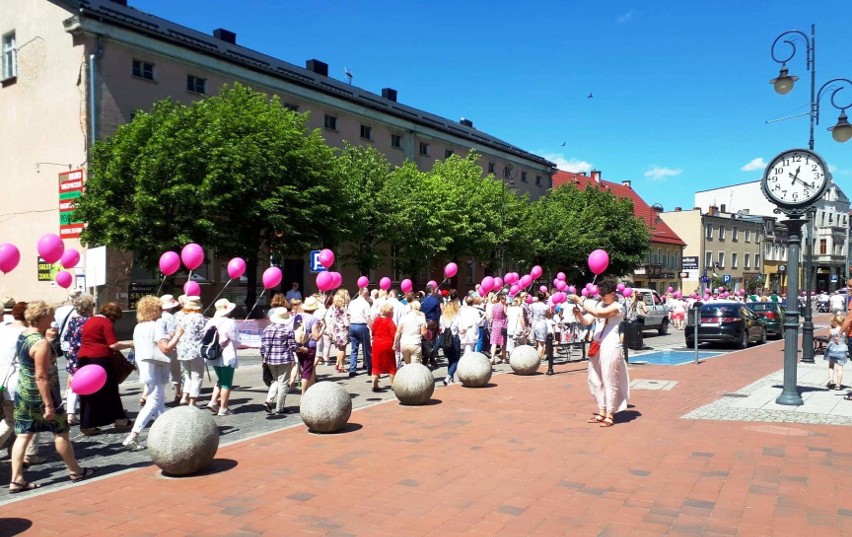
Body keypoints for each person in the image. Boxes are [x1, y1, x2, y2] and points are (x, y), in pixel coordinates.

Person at [8, 301, 96, 492]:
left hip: (23, 391)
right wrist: (49, 404)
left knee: (22, 435)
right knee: (61, 432)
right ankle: (76, 470)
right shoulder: (40, 343)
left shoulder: (23, 335)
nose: (53, 319)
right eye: (50, 316)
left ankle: (16, 479)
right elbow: (41, 376)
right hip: (41, 395)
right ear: (42, 317)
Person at [122, 296, 182, 451]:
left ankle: (165, 433)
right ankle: (133, 435)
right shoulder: (157, 325)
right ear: (154, 310)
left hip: (145, 366)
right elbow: (166, 348)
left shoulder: (139, 326)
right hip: (157, 366)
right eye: (160, 308)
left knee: (159, 400)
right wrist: (177, 335)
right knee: (154, 401)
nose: (162, 311)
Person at [570, 276, 630, 428]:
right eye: (600, 293)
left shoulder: (618, 306)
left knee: (610, 379)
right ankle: (602, 410)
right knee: (595, 379)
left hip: (611, 345)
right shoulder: (598, 304)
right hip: (597, 345)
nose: (602, 296)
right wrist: (578, 314)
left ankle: (610, 413)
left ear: (613, 293)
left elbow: (600, 314)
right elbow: (587, 321)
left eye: (605, 293)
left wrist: (582, 301)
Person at [77, 302, 133, 435]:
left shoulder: (90, 320)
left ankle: (87, 424)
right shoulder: (105, 322)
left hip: (84, 358)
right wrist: (130, 344)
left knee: (88, 391)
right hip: (100, 359)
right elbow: (113, 345)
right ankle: (120, 419)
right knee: (110, 389)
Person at [0, 302, 41, 465]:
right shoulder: (26, 334)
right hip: (21, 383)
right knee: (31, 419)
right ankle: (29, 455)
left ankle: (25, 454)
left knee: (10, 421)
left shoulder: (3, 329)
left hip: (4, 382)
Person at [61, 293, 96, 426]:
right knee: (89, 384)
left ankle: (70, 413)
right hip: (86, 355)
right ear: (88, 307)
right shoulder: (89, 321)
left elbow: (67, 336)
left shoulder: (73, 320)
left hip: (73, 355)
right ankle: (92, 412)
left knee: (74, 384)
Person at [204, 299, 239, 416]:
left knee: (220, 379)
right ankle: (223, 408)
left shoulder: (210, 321)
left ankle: (213, 401)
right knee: (227, 383)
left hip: (213, 354)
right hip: (227, 354)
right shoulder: (230, 322)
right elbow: (235, 340)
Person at [260, 307, 297, 414]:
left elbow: (262, 347)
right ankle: (279, 407)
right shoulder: (287, 329)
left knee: (276, 380)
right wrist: (302, 348)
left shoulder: (267, 329)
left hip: (270, 359)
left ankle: (268, 401)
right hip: (284, 359)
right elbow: (292, 346)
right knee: (283, 383)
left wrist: (263, 359)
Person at [175, 296, 205, 407]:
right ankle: (192, 401)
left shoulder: (183, 317)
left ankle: (184, 397)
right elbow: (203, 333)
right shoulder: (199, 317)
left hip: (182, 349)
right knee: (197, 376)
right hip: (195, 350)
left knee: (187, 375)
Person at [294, 296, 322, 395]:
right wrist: (323, 328)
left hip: (298, 345)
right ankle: (303, 394)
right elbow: (316, 336)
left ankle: (310, 389)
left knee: (303, 368)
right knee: (307, 371)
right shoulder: (314, 319)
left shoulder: (297, 317)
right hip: (310, 346)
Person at [158, 294, 182, 404]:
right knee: (175, 370)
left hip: (158, 346)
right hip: (171, 345)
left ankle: (148, 395)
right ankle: (177, 393)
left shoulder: (157, 316)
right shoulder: (171, 317)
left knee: (158, 371)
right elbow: (173, 332)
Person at [371, 302, 397, 392]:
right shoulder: (390, 321)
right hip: (387, 344)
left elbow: (373, 332)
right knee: (391, 364)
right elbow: (394, 334)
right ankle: (392, 384)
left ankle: (375, 384)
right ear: (390, 313)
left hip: (377, 344)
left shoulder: (377, 320)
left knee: (376, 364)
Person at [347, 288, 372, 377]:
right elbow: (368, 318)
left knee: (354, 349)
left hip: (352, 325)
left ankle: (352, 369)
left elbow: (348, 315)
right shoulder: (366, 304)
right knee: (366, 349)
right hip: (362, 326)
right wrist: (373, 329)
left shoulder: (352, 302)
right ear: (366, 294)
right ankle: (370, 369)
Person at [439, 291, 461, 385]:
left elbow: (441, 328)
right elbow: (461, 329)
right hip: (454, 338)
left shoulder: (442, 317)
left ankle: (451, 378)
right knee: (456, 360)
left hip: (445, 339)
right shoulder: (457, 316)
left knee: (450, 359)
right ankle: (448, 377)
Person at [394, 300, 427, 365]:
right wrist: (426, 338)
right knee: (415, 365)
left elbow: (398, 332)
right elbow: (424, 333)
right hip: (415, 343)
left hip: (404, 343)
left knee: (407, 364)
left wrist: (395, 344)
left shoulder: (403, 318)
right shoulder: (421, 318)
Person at [326, 294, 349, 373]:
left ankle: (338, 363)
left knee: (339, 349)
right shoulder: (343, 309)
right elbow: (346, 322)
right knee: (342, 349)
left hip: (336, 331)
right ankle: (341, 365)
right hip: (342, 330)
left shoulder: (334, 310)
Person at [420, 285, 442, 367]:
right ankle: (431, 360)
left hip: (423, 322)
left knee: (425, 341)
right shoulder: (436, 300)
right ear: (432, 290)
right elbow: (438, 313)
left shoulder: (421, 300)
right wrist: (439, 323)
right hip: (433, 322)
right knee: (432, 341)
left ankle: (427, 360)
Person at [826, 313, 847, 392]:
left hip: (832, 350)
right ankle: (838, 385)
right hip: (842, 351)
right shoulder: (845, 331)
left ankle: (831, 380)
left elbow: (828, 338)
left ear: (835, 322)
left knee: (831, 365)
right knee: (840, 368)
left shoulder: (831, 330)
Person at [529, 292, 550, 359]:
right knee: (541, 344)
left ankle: (538, 355)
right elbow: (549, 316)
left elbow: (530, 314)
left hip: (534, 324)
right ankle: (537, 358)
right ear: (544, 298)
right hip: (542, 324)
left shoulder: (532, 305)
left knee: (536, 342)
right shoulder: (546, 306)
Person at [488, 294, 508, 364]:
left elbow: (491, 317)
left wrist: (490, 325)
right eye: (504, 299)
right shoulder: (503, 306)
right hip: (502, 325)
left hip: (495, 325)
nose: (505, 300)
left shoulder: (494, 306)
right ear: (501, 299)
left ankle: (492, 357)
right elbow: (507, 314)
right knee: (503, 342)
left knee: (494, 342)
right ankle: (504, 358)